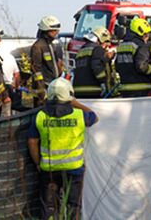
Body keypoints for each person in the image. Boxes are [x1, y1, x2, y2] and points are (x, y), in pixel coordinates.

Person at [27, 77, 98, 220]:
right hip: (74, 170)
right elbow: (95, 117)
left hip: (49, 169)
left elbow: (32, 142)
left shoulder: (40, 116)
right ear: (69, 94)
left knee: (49, 208)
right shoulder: (80, 115)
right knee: (73, 207)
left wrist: (37, 163)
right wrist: (75, 103)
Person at [116, 17, 151, 97]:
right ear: (141, 33)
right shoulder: (141, 46)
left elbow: (117, 66)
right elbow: (141, 67)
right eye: (146, 34)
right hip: (140, 89)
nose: (147, 37)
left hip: (124, 89)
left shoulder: (121, 46)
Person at [73, 27, 115, 98]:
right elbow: (97, 68)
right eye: (106, 42)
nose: (106, 46)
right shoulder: (97, 49)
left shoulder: (81, 50)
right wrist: (103, 82)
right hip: (92, 90)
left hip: (78, 91)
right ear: (100, 39)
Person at [31, 15, 65, 104]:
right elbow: (36, 69)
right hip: (44, 89)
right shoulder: (38, 46)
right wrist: (41, 89)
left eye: (57, 30)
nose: (56, 32)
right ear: (46, 30)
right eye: (54, 30)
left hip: (52, 86)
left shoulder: (51, 45)